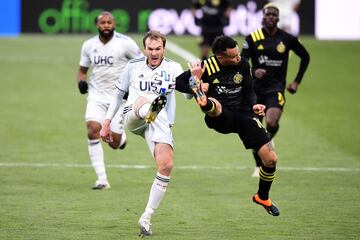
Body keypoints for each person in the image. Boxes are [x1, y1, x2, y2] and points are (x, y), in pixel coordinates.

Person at [176, 35, 280, 216]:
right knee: (213, 104)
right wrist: (195, 85)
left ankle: (262, 196)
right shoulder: (207, 66)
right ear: (220, 57)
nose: (238, 58)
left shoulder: (243, 63)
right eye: (233, 56)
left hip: (243, 114)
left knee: (271, 159)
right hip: (220, 116)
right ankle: (201, 95)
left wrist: (254, 105)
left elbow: (249, 91)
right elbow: (178, 82)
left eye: (238, 54)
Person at [100, 30, 183, 236]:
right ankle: (151, 109)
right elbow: (118, 96)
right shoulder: (133, 66)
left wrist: (196, 83)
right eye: (150, 49)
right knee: (144, 101)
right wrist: (107, 122)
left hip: (159, 122)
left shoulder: (174, 68)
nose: (154, 53)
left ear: (164, 48)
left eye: (158, 49)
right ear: (144, 48)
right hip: (133, 116)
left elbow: (188, 95)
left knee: (166, 165)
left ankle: (146, 217)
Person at [241, 3, 309, 177]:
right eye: (267, 14)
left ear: (278, 18)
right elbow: (242, 63)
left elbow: (305, 57)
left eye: (273, 15)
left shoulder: (287, 38)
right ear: (262, 17)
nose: (270, 17)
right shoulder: (252, 38)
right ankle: (258, 166)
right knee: (255, 128)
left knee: (271, 123)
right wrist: (253, 71)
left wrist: (296, 82)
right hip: (255, 90)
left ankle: (269, 138)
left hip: (275, 88)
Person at [76, 11, 142, 190]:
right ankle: (102, 180)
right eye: (102, 22)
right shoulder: (89, 45)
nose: (106, 25)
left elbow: (142, 65)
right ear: (97, 25)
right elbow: (82, 70)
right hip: (96, 96)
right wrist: (81, 82)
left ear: (114, 25)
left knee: (113, 143)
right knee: (92, 130)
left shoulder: (125, 43)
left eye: (109, 22)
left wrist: (133, 88)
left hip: (119, 99)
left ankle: (121, 140)